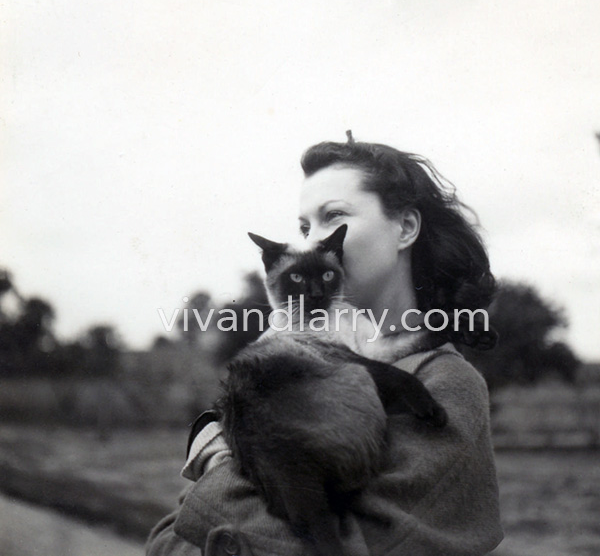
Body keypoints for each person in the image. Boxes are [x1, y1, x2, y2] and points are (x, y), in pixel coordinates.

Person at [146, 135, 504, 556]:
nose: (314, 242)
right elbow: (165, 541)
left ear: (405, 228)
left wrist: (217, 460)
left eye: (333, 217)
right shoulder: (281, 353)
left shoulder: (446, 380)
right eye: (304, 227)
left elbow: (343, 547)